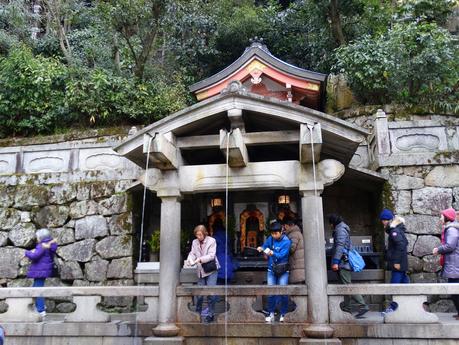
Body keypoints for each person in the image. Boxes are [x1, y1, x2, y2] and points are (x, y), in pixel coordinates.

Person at [329, 214, 369, 318]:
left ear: (333, 223)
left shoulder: (340, 230)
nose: (330, 226)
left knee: (347, 285)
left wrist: (335, 262)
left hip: (343, 262)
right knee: (345, 286)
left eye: (330, 224)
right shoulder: (342, 228)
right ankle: (347, 309)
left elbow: (340, 246)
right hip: (343, 261)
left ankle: (362, 305)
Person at [257, 221, 291, 323]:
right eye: (272, 233)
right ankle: (270, 313)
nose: (274, 235)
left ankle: (283, 313)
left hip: (283, 270)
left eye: (276, 233)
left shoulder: (287, 241)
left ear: (281, 231)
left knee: (283, 293)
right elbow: (265, 245)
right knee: (271, 292)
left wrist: (272, 253)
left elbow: (282, 255)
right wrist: (261, 248)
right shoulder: (270, 239)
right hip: (271, 269)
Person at [186, 224, 220, 323]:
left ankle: (211, 314)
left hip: (211, 270)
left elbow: (211, 255)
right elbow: (192, 253)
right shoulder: (194, 242)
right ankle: (197, 312)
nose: (198, 237)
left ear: (205, 233)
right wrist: (190, 260)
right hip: (201, 270)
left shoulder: (211, 241)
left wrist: (199, 260)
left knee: (211, 292)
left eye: (200, 235)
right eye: (197, 235)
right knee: (199, 293)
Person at [432, 208, 459, 320]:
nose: (440, 218)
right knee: (455, 291)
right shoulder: (451, 228)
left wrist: (438, 249)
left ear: (447, 217)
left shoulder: (451, 229)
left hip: (455, 265)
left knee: (455, 291)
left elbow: (450, 246)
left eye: (442, 216)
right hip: (454, 264)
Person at [25, 228, 58, 319]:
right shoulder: (49, 245)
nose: (37, 239)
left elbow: (35, 256)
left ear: (41, 237)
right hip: (44, 270)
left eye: (37, 237)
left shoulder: (42, 245)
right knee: (37, 288)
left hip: (40, 271)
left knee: (37, 290)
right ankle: (40, 306)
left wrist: (27, 252)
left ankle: (41, 309)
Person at [213, 220, 237, 284]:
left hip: (219, 261)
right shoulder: (226, 235)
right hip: (228, 260)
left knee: (217, 285)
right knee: (227, 285)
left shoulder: (214, 238)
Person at [283, 218, 305, 284]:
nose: (284, 228)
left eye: (285, 226)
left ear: (287, 226)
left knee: (298, 284)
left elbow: (292, 248)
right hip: (299, 261)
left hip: (296, 263)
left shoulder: (293, 234)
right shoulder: (297, 233)